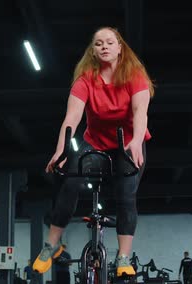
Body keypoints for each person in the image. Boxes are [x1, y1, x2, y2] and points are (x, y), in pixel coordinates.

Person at [32, 27, 154, 277]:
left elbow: (141, 112)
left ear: (120, 47)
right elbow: (72, 117)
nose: (104, 47)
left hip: (128, 143)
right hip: (95, 143)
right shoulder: (86, 79)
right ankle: (50, 245)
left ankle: (123, 257)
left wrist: (137, 140)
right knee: (70, 181)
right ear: (94, 50)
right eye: (99, 44)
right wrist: (61, 151)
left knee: (126, 196)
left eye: (110, 42)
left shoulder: (134, 75)